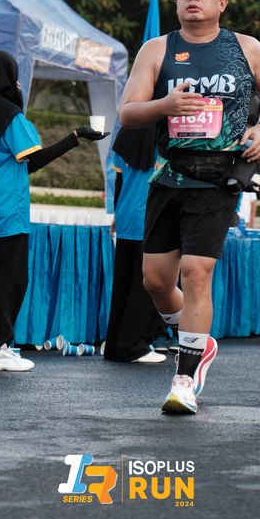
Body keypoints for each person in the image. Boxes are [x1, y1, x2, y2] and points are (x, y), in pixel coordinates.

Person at [119, 0, 260, 415]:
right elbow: (128, 112)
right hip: (169, 174)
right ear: (177, 2)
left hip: (219, 176)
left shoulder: (245, 47)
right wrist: (166, 104)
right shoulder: (157, 49)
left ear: (222, 3)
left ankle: (185, 378)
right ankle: (198, 340)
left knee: (196, 272)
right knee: (156, 282)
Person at [0, 50, 107, 373]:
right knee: (8, 280)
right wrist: (75, 136)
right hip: (8, 209)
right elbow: (35, 159)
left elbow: (12, 163)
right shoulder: (9, 115)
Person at [104, 125, 168, 364]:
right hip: (152, 218)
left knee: (123, 286)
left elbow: (119, 181)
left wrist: (117, 214)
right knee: (145, 288)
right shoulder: (165, 137)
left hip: (126, 216)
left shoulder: (127, 133)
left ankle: (115, 346)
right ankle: (134, 346)